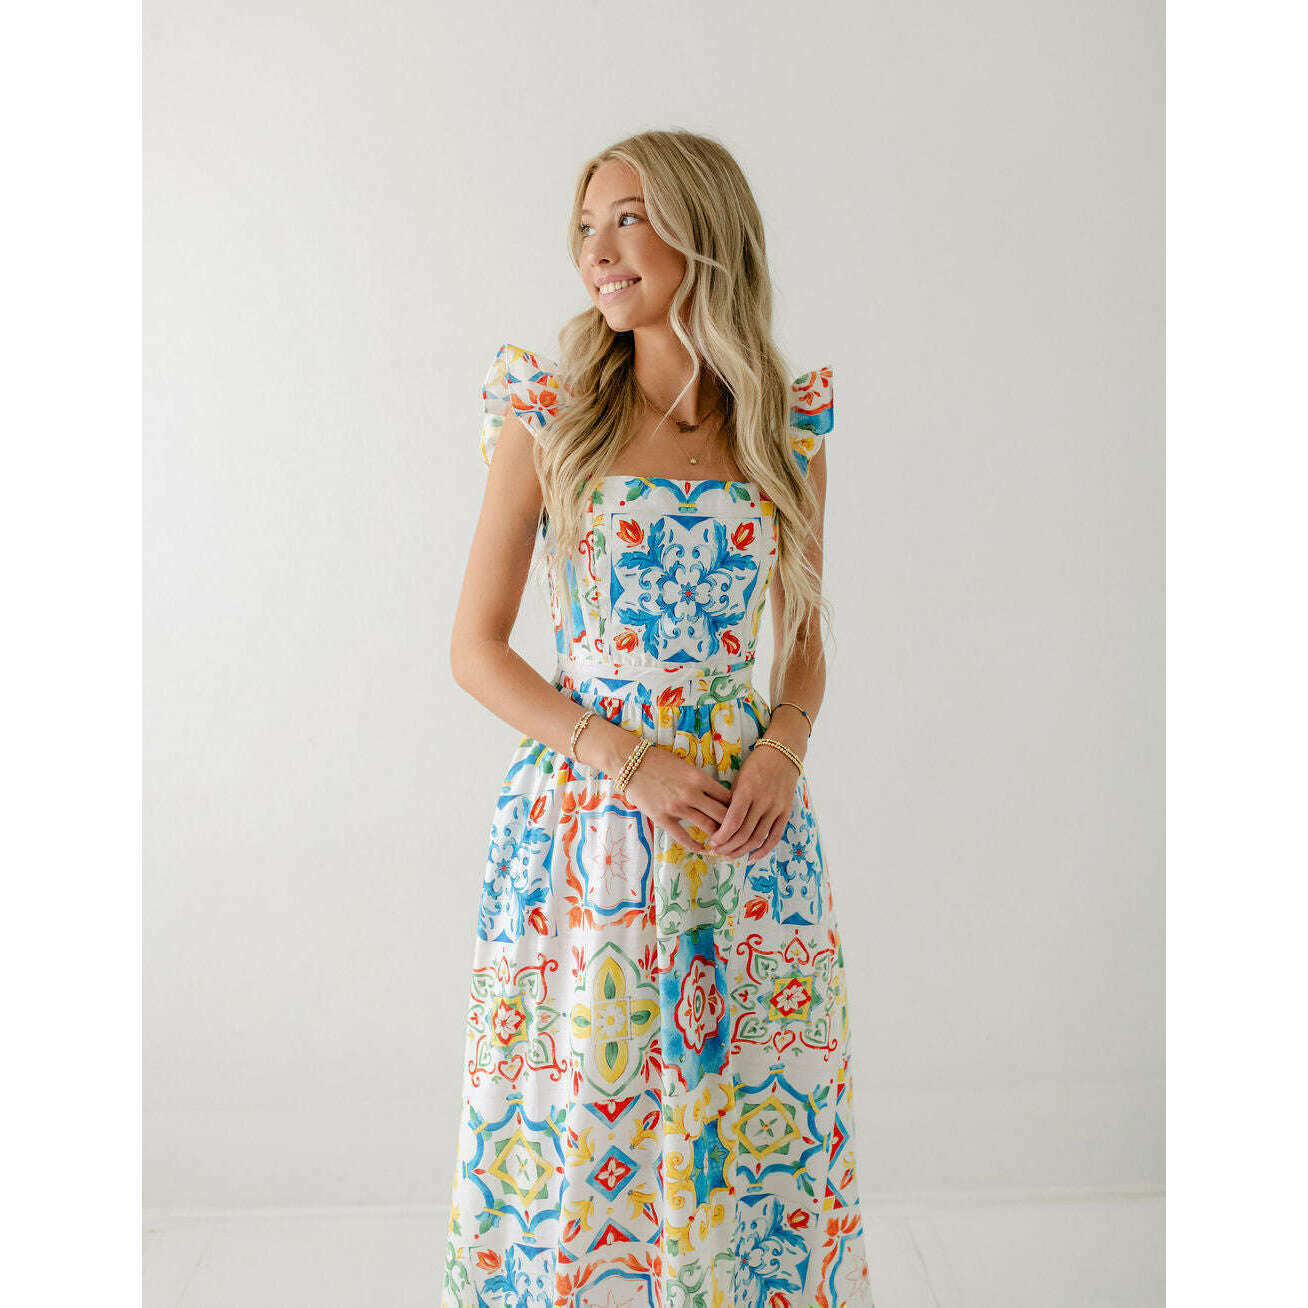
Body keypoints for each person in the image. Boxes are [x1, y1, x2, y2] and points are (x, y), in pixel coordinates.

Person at [443, 129, 874, 1308]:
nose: (598, 249)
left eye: (627, 219)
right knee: (587, 1116)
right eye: (587, 225)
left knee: (757, 1106)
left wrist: (783, 751)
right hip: (586, 827)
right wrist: (627, 761)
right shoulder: (550, 413)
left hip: (744, 829)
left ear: (704, 232)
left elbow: (804, 642)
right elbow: (476, 651)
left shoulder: (785, 423)